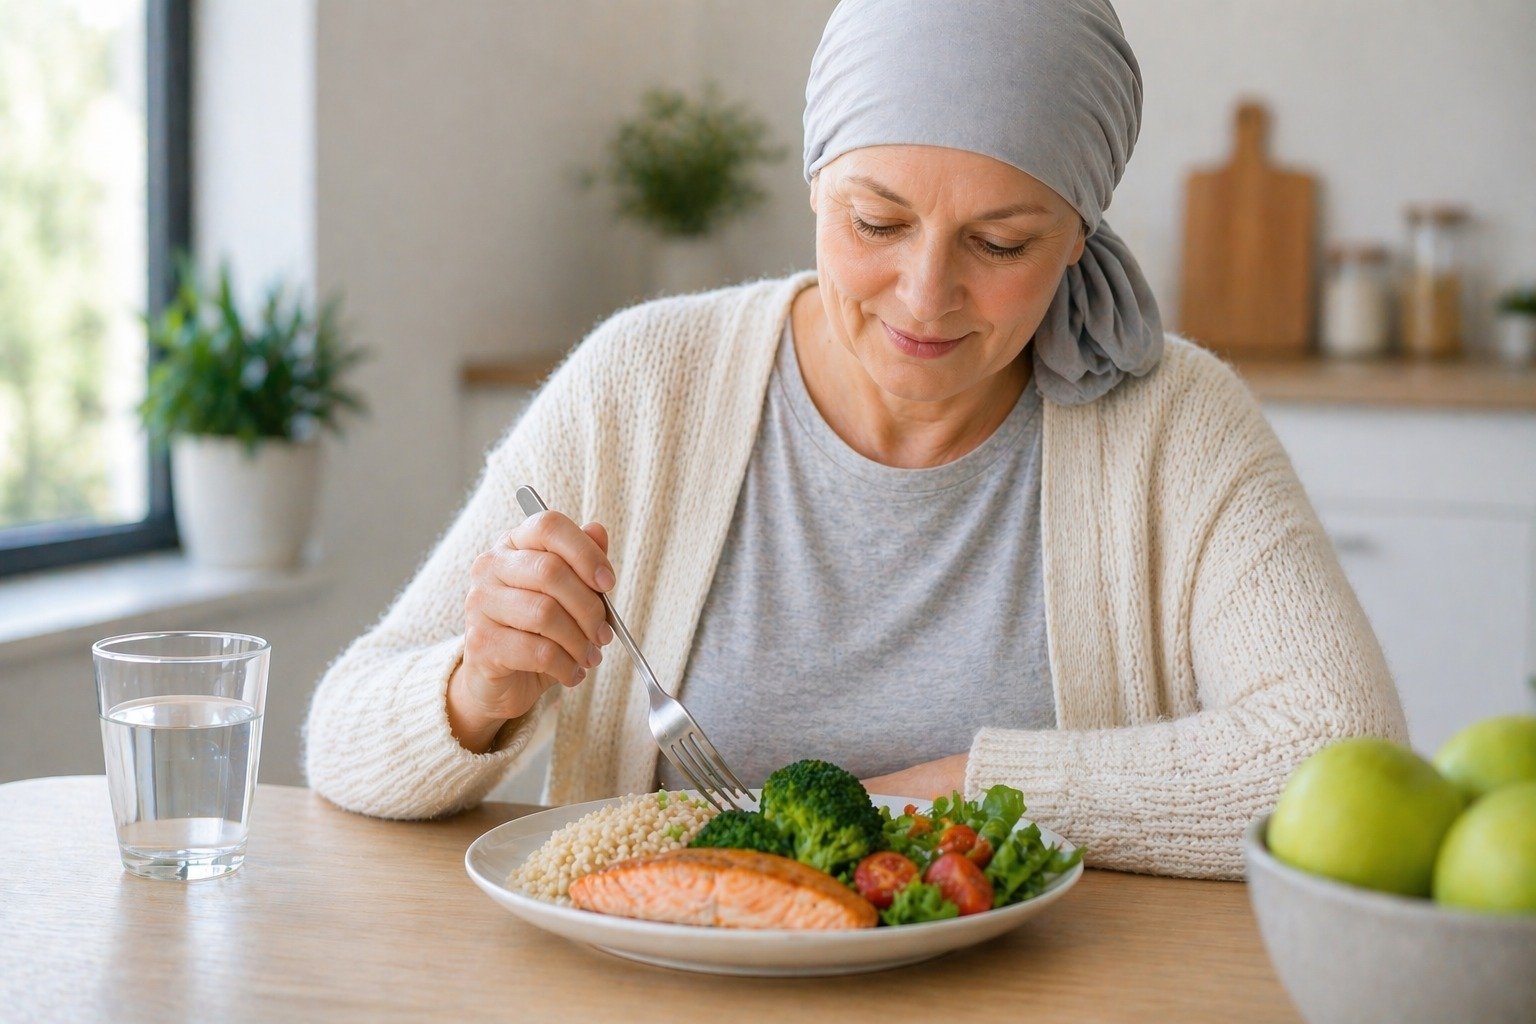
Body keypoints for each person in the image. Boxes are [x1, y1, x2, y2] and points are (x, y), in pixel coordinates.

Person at [303, 0, 1406, 879]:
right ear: (815, 183)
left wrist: (964, 785)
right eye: (877, 223)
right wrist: (477, 686)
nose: (926, 295)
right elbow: (341, 737)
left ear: (1079, 234)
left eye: (1001, 240)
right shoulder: (645, 384)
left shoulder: (1178, 423)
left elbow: (1337, 752)